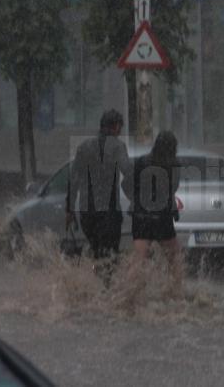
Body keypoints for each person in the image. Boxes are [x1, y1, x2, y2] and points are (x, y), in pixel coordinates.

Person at [118, 131, 183, 312]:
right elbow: (173, 189)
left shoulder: (140, 162)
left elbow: (125, 185)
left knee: (139, 259)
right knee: (175, 258)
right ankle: (176, 295)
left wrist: (138, 199)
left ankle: (126, 298)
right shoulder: (174, 165)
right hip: (162, 217)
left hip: (141, 217)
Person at [66, 109, 130, 280]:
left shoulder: (84, 147)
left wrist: (69, 209)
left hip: (87, 213)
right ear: (115, 127)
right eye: (120, 127)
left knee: (97, 252)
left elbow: (74, 180)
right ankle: (107, 292)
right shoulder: (118, 146)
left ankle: (95, 285)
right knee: (110, 255)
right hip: (108, 213)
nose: (120, 131)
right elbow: (128, 172)